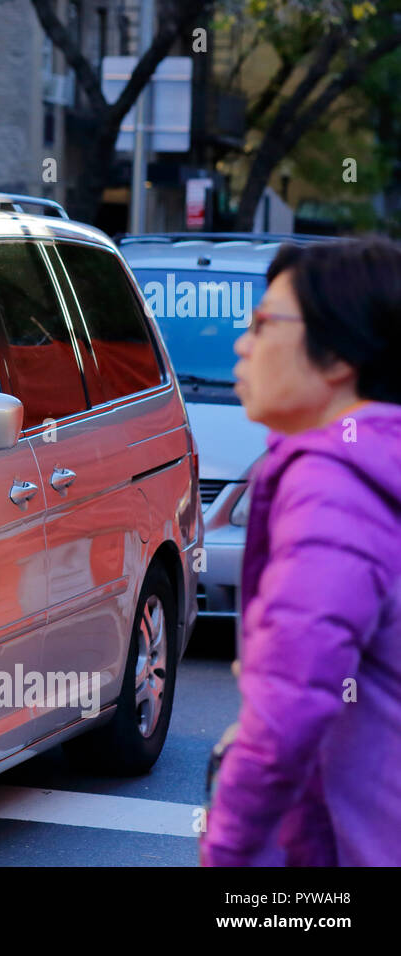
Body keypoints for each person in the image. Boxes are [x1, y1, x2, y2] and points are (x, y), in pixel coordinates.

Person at [200, 237, 401, 867]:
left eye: (263, 323)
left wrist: (225, 859)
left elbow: (285, 719)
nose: (242, 344)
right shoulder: (371, 467)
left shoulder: (333, 486)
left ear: (338, 353)